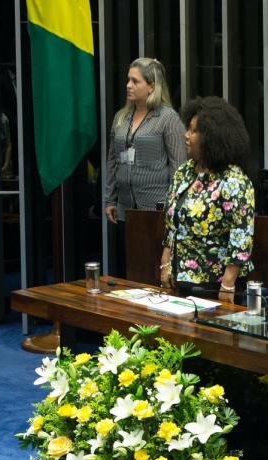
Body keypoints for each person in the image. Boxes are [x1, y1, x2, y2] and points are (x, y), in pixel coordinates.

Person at [160, 96, 254, 303]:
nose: (186, 136)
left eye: (193, 131)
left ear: (211, 138)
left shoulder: (234, 180)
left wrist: (228, 284)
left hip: (215, 287)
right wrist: (165, 265)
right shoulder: (184, 172)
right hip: (180, 281)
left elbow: (241, 240)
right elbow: (171, 226)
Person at [105, 57, 186, 277]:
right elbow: (112, 160)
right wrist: (110, 198)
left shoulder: (168, 119)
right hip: (125, 209)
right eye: (128, 80)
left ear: (152, 86)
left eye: (135, 81)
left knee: (150, 272)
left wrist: (173, 209)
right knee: (127, 271)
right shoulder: (121, 117)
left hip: (156, 211)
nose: (128, 85)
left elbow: (180, 168)